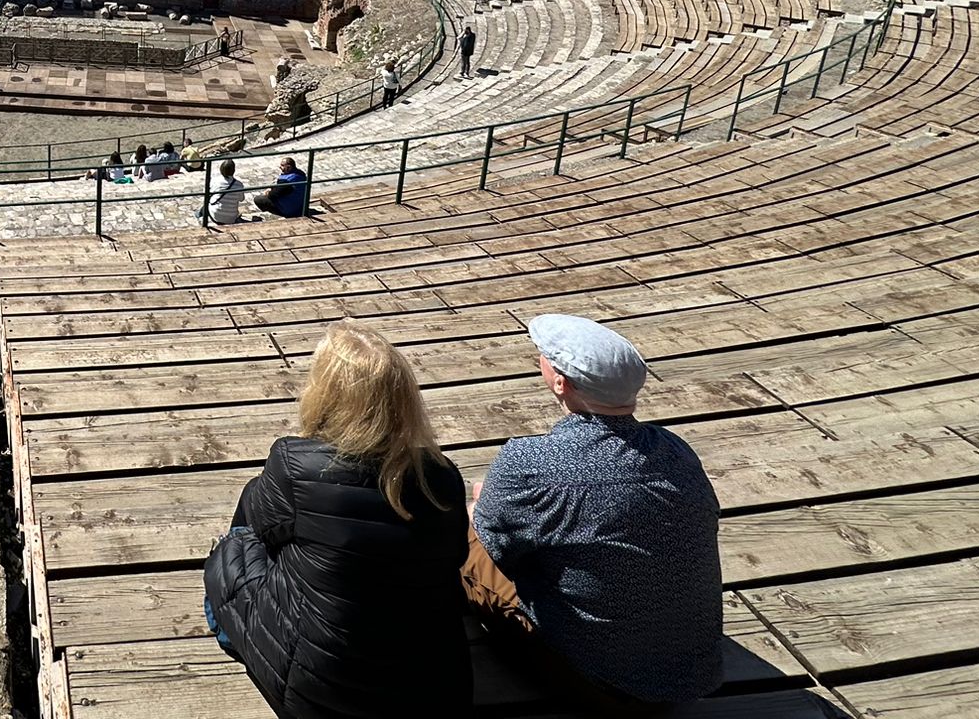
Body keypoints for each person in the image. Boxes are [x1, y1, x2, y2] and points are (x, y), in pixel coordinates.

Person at [204, 320, 470, 718]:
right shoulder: (441, 477)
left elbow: (258, 532)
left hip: (325, 693)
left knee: (232, 549)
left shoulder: (296, 465)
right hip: (432, 691)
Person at [465, 315, 723, 714]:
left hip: (600, 682)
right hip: (688, 675)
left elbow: (496, 545)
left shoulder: (529, 463)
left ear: (560, 383)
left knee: (465, 531)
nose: (540, 359)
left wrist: (482, 507)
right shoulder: (677, 450)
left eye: (544, 357)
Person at [201, 158, 246, 226]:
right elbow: (241, 199)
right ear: (233, 170)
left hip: (215, 215)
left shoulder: (215, 181)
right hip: (231, 218)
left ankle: (199, 216)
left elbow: (207, 193)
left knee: (204, 206)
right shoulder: (239, 185)